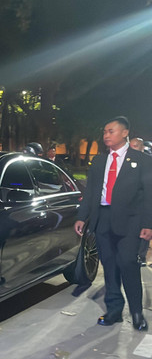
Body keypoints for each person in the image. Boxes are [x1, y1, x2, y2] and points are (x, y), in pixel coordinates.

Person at [73, 116, 152, 331]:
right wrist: (82, 216)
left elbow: (149, 194)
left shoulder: (142, 160)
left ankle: (136, 313)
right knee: (110, 267)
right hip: (103, 220)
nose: (106, 135)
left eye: (111, 131)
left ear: (125, 132)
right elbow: (90, 192)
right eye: (105, 131)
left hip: (130, 222)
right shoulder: (99, 161)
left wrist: (148, 224)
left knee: (128, 264)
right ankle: (114, 311)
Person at [130, 138, 149, 266]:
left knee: (144, 229)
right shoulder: (124, 162)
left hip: (144, 204)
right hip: (129, 205)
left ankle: (141, 256)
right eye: (130, 147)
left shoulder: (148, 162)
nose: (132, 149)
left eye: (136, 146)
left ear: (142, 148)